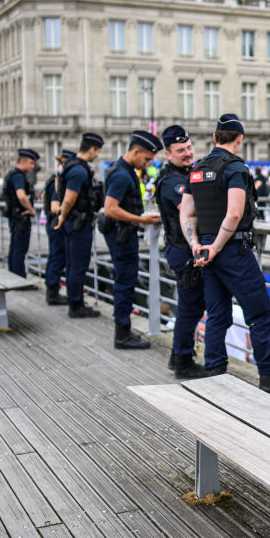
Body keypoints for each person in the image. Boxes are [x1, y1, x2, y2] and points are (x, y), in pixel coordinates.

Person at [180, 114, 270, 397]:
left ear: (215, 137)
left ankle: (214, 371)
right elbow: (235, 213)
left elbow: (186, 214)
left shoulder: (197, 169)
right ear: (240, 139)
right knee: (260, 313)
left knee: (217, 314)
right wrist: (217, 246)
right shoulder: (235, 168)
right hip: (231, 248)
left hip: (205, 249)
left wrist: (198, 245)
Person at [154, 124, 210, 377]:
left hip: (184, 249)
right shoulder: (173, 182)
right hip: (183, 250)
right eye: (181, 150)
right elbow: (190, 212)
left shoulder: (184, 175)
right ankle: (183, 362)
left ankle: (177, 357)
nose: (188, 153)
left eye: (189, 147)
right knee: (189, 307)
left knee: (193, 307)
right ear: (168, 154)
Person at [102, 130, 162, 349]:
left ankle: (123, 331)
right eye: (146, 159)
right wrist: (141, 219)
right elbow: (110, 209)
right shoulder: (121, 174)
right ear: (136, 151)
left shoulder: (121, 169)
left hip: (121, 233)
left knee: (125, 282)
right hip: (122, 235)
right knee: (125, 283)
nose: (148, 164)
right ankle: (122, 334)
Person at [56, 132, 105, 318]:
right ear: (91, 149)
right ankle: (76, 305)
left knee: (72, 264)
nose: (97, 155)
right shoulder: (79, 170)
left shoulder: (70, 165)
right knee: (78, 265)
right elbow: (69, 199)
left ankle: (75, 301)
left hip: (74, 222)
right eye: (97, 151)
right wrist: (62, 216)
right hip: (79, 223)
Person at [43, 150, 74, 305]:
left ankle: (52, 290)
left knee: (55, 257)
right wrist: (70, 206)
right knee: (57, 258)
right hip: (57, 225)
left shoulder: (54, 180)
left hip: (54, 224)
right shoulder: (58, 181)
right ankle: (52, 292)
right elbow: (55, 207)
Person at [3, 149, 40, 277]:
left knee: (15, 248)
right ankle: (18, 277)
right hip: (21, 217)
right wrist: (31, 210)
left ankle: (13, 276)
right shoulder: (18, 176)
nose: (33, 167)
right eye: (31, 163)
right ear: (23, 161)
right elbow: (21, 196)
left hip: (15, 216)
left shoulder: (13, 174)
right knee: (19, 249)